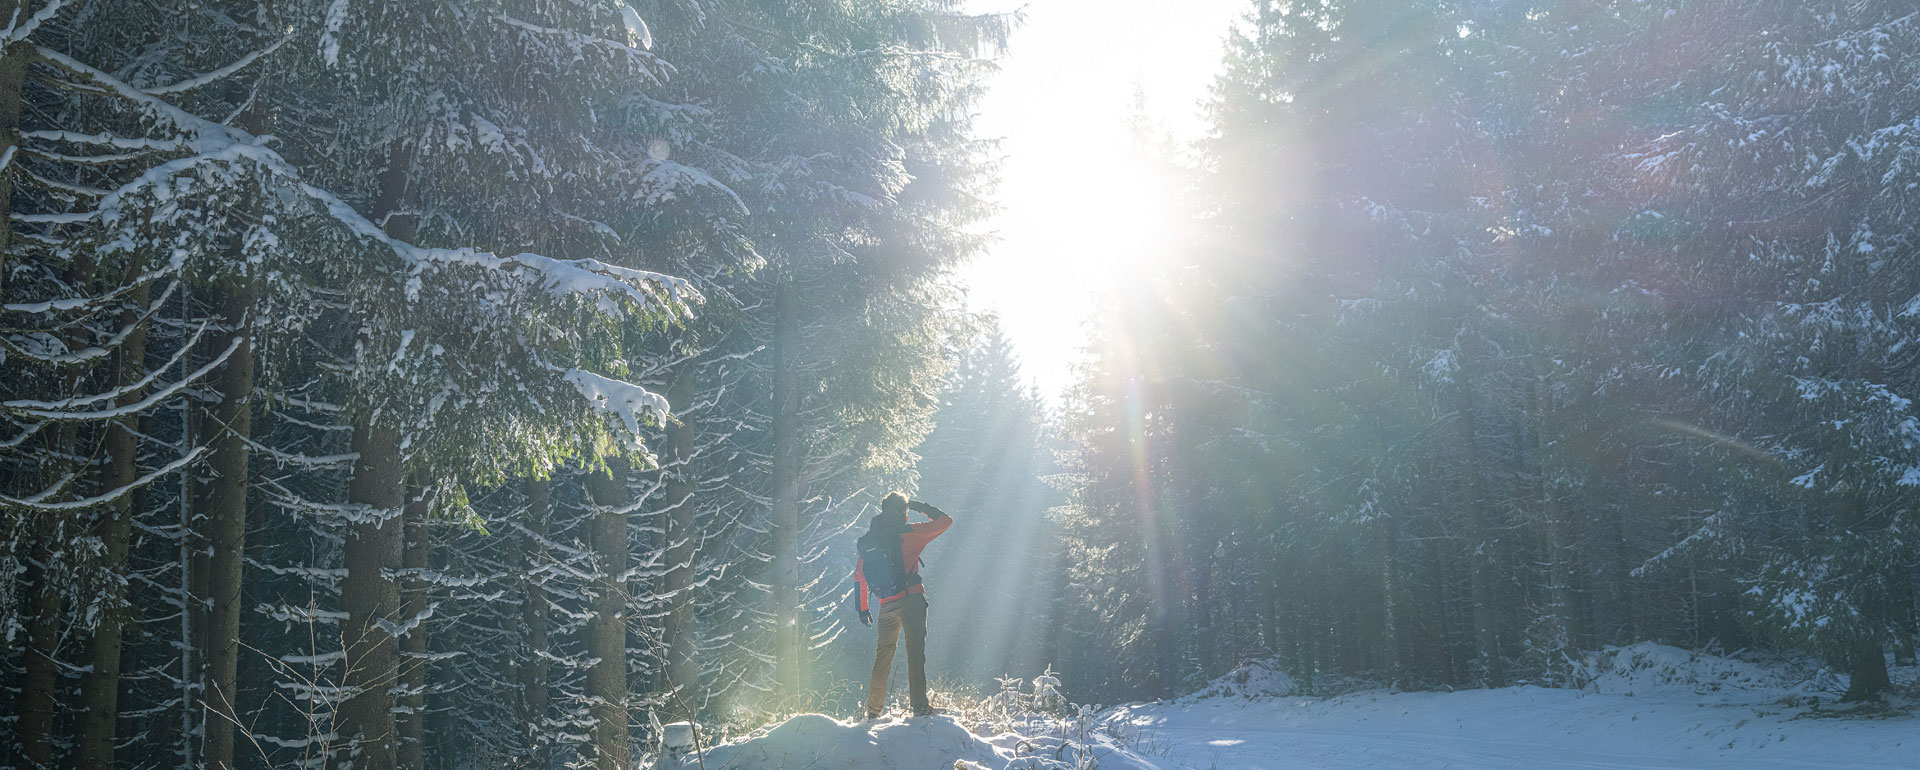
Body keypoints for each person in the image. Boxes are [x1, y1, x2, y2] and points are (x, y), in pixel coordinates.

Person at [852, 492, 952, 718]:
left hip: (886, 605)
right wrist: (919, 505)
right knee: (915, 652)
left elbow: (860, 576)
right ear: (904, 511)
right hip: (911, 600)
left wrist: (863, 608)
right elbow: (946, 521)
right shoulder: (910, 533)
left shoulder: (870, 540)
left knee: (883, 656)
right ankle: (919, 707)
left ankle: (874, 711)